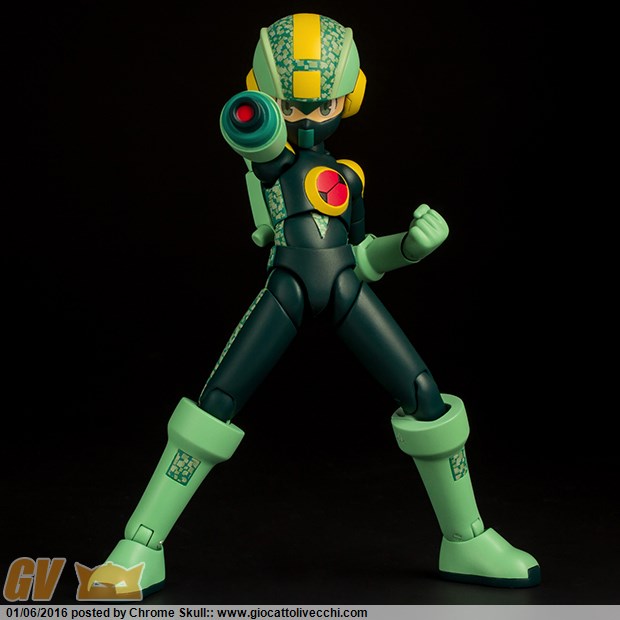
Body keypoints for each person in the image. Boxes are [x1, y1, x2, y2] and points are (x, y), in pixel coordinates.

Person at [91, 12, 540, 598]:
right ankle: (141, 545)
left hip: (346, 286)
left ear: (349, 98)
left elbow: (363, 255)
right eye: (291, 106)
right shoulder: (273, 163)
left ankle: (467, 539)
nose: (307, 118)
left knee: (424, 393)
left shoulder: (348, 177)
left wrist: (410, 247)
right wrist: (257, 126)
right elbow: (257, 142)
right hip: (288, 288)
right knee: (216, 401)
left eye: (322, 105)